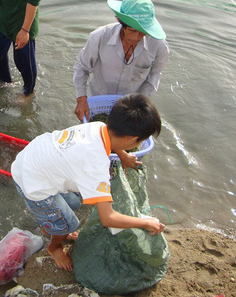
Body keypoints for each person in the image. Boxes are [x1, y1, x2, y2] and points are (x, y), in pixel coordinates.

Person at [11, 93, 166, 271]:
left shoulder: (100, 126)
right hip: (32, 184)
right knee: (69, 224)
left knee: (75, 202)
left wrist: (123, 156)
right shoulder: (96, 166)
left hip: (32, 158)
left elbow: (112, 143)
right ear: (133, 139)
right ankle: (54, 247)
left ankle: (50, 227)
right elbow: (108, 218)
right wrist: (145, 222)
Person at [73, 0, 169, 121]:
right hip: (98, 100)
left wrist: (142, 103)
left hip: (131, 107)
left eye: (142, 32)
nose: (136, 37)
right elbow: (82, 68)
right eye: (132, 30)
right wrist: (81, 99)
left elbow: (154, 75)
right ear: (119, 21)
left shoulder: (159, 47)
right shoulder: (99, 37)